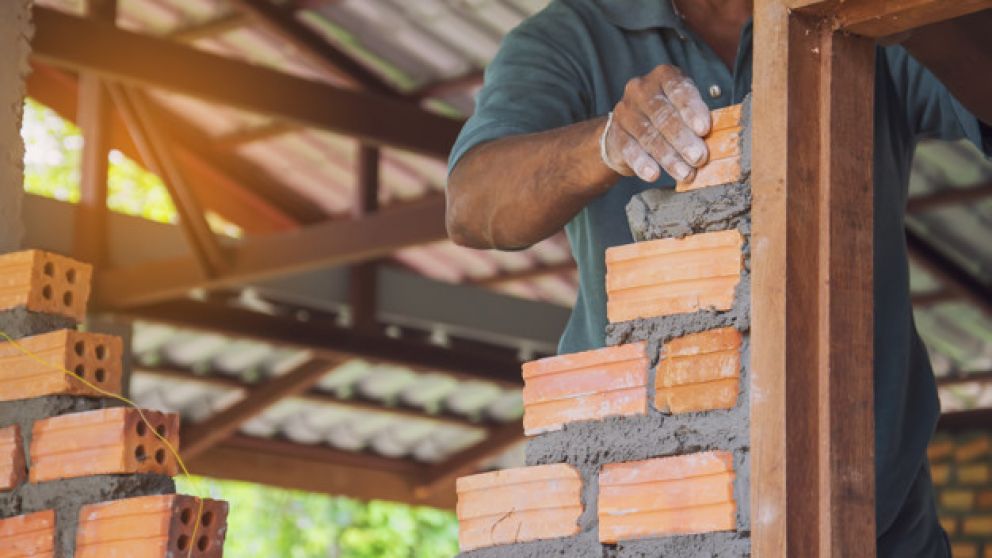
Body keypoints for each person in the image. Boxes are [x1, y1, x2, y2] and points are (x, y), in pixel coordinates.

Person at [445, 0, 992, 555]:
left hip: (874, 522)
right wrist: (609, 141)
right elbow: (471, 204)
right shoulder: (576, 35)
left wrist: (903, 11)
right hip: (645, 516)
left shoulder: (848, 15)